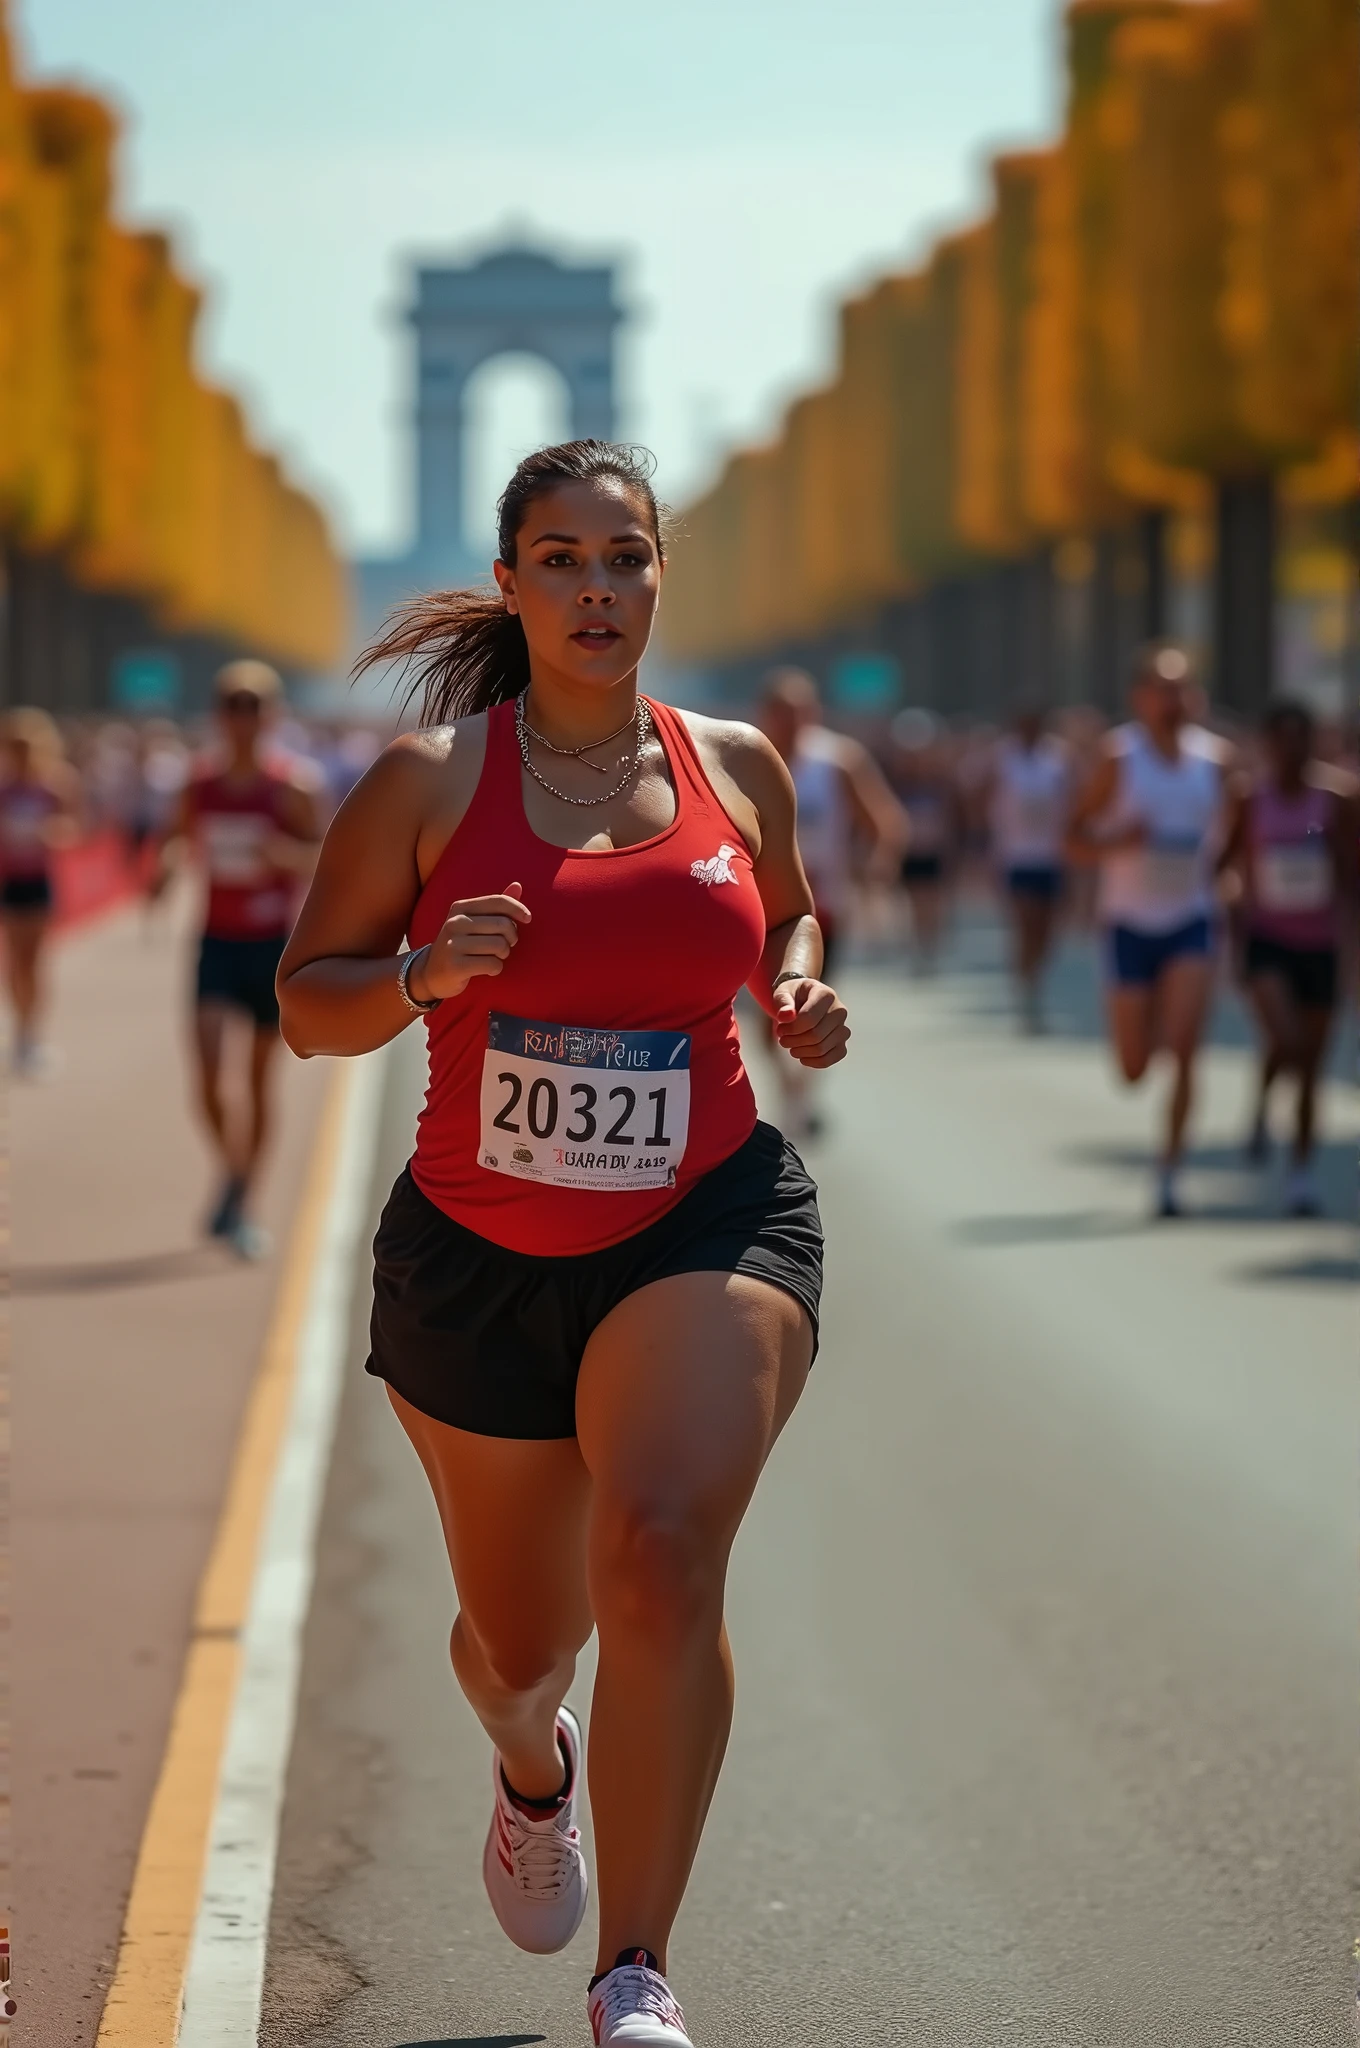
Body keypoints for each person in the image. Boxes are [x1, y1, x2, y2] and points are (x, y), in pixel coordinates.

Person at [277, 441, 848, 2048]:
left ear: (661, 576)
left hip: (709, 1212)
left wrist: (793, 986)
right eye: (564, 559)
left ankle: (637, 1972)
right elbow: (308, 1005)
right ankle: (538, 1766)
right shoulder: (432, 782)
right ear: (514, 581)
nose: (600, 589)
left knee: (662, 1548)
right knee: (523, 1647)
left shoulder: (738, 763)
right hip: (479, 1255)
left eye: (628, 557)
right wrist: (418, 979)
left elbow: (791, 908)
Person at [1066, 644, 1230, 1218]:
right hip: (1129, 923)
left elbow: (1235, 838)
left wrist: (1231, 879)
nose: (1175, 700)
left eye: (1184, 688)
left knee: (1187, 1050)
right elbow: (1074, 838)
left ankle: (1170, 1171)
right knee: (1135, 1070)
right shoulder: (1119, 758)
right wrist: (1117, 843)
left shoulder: (1217, 762)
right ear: (1140, 697)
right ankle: (1155, 1016)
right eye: (1163, 688)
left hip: (1192, 918)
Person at [165, 661, 319, 1257]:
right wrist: (163, 869)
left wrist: (283, 854)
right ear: (219, 714)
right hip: (215, 943)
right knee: (205, 1075)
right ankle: (231, 1170)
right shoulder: (196, 785)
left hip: (269, 948)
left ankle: (245, 1201)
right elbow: (175, 840)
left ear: (272, 715)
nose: (243, 717)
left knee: (257, 1082)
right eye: (233, 705)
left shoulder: (293, 787)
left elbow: (324, 858)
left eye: (254, 706)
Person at [1218, 699, 1358, 1215]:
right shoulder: (1249, 798)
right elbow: (1226, 862)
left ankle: (1300, 1173)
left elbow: (1351, 868)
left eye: (1302, 737)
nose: (1292, 749)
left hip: (1319, 943)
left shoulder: (1338, 798)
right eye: (1282, 738)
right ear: (1268, 744)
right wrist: (1230, 909)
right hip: (1267, 938)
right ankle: (1261, 1109)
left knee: (1312, 1067)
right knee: (1289, 1037)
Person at [757, 666, 905, 1133]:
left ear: (815, 712)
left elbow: (885, 822)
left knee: (806, 1011)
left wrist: (877, 866)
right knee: (766, 1023)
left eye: (800, 711)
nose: (792, 721)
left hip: (823, 914)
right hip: (761, 912)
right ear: (768, 714)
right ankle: (791, 1091)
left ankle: (801, 1097)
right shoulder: (746, 760)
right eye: (782, 712)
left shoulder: (838, 761)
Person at [0, 708, 80, 1075]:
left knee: (34, 961)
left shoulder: (53, 785)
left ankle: (31, 1033)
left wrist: (49, 831)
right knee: (14, 961)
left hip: (38, 881)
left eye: (24, 746)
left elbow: (75, 827)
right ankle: (21, 1027)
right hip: (8, 880)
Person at [986, 704, 1072, 1032]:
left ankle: (1035, 975)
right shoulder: (1003, 758)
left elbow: (1072, 800)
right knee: (1025, 924)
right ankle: (1026, 989)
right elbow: (984, 800)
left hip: (1051, 857)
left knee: (1046, 931)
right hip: (1015, 856)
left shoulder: (1058, 758)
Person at [888, 708, 959, 973]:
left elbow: (951, 819)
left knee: (930, 901)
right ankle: (915, 948)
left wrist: (951, 850)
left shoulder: (940, 784)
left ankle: (928, 947)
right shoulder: (898, 784)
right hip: (909, 850)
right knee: (911, 902)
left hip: (932, 850)